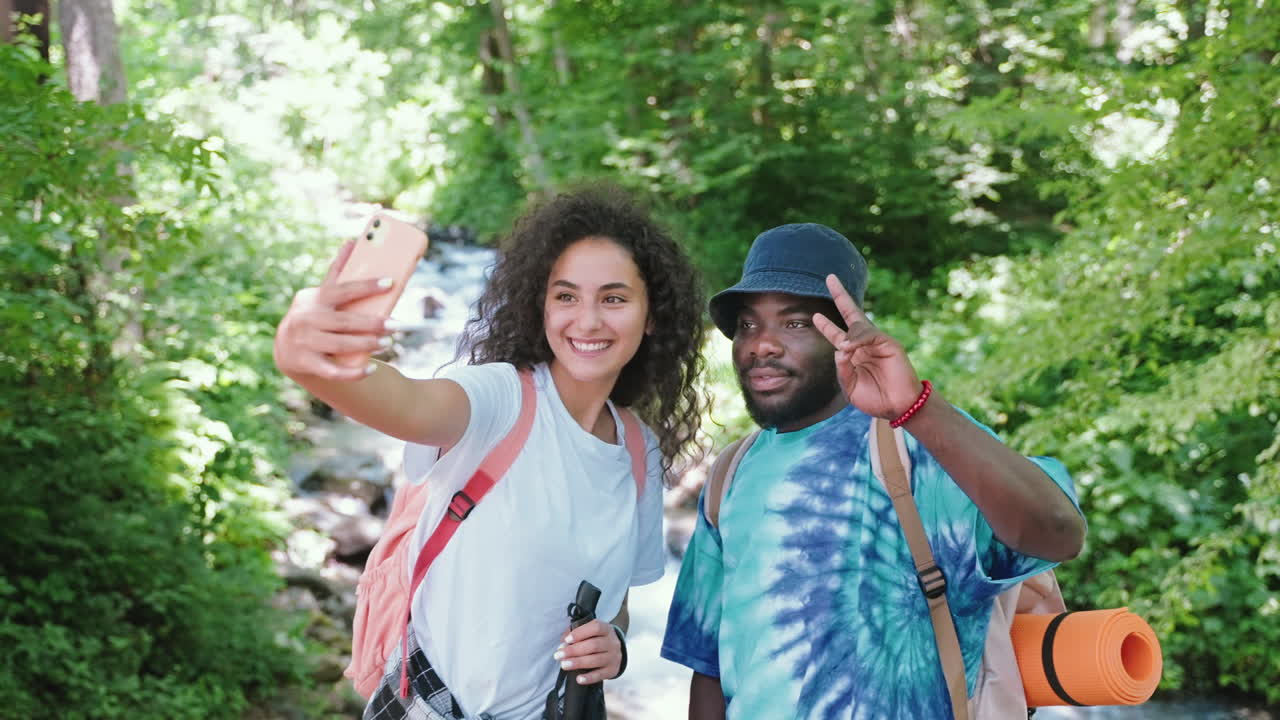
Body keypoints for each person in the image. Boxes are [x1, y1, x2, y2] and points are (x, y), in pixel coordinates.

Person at [274, 187, 709, 719]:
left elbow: (615, 599)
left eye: (614, 298)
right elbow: (404, 401)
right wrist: (312, 358)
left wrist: (613, 645)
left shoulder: (639, 451)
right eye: (566, 296)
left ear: (653, 316)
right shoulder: (500, 398)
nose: (588, 320)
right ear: (541, 305)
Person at [660, 223, 1087, 719]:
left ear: (847, 333)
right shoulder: (731, 473)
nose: (762, 345)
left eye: (795, 323)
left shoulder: (917, 442)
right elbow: (708, 664)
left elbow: (1058, 535)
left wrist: (918, 410)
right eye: (749, 325)